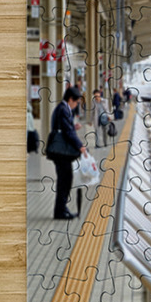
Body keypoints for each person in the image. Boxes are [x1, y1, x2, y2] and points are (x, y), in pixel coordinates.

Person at [48, 86, 88, 219]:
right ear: (70, 99)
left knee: (65, 179)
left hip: (60, 152)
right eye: (76, 102)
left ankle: (62, 208)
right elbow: (67, 132)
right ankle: (60, 211)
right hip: (61, 153)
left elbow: (66, 128)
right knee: (65, 180)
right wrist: (80, 146)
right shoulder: (64, 109)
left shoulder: (62, 108)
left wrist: (73, 126)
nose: (76, 105)